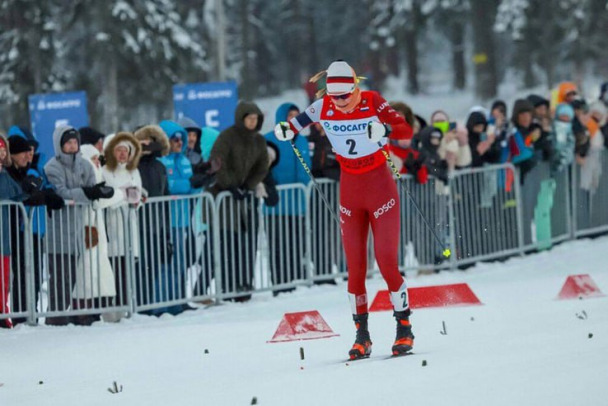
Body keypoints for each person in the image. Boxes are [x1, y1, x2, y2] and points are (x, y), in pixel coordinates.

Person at [274, 60, 414, 359]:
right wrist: (285, 131)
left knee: (386, 260)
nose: (341, 102)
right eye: (335, 96)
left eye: (346, 95)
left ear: (355, 87)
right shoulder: (322, 106)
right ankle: (362, 335)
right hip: (350, 190)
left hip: (380, 188)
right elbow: (294, 126)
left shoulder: (373, 100)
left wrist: (385, 128)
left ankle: (404, 327)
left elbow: (407, 129)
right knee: (355, 268)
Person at [45, 126, 114, 325]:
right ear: (59, 145)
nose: (72, 145)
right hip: (58, 232)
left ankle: (61, 315)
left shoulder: (85, 165)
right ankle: (54, 318)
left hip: (78, 232)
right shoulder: (52, 167)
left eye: (75, 142)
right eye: (67, 142)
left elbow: (92, 186)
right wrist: (87, 193)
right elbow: (61, 193)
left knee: (72, 280)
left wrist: (97, 192)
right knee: (59, 279)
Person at [208, 101, 269, 301]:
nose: (252, 122)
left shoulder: (259, 141)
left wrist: (248, 185)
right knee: (229, 244)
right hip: (226, 199)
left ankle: (245, 284)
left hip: (246, 197)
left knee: (248, 243)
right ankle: (228, 286)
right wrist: (230, 185)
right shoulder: (227, 137)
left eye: (255, 119)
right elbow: (217, 162)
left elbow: (262, 166)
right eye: (249, 118)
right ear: (241, 118)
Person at [264, 103, 310, 294]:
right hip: (277, 205)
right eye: (290, 115)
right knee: (278, 247)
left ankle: (292, 281)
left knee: (296, 246)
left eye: (296, 115)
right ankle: (280, 284)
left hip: (298, 203)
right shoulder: (269, 139)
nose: (293, 119)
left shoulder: (302, 141)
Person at [72, 145, 117, 325]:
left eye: (98, 159)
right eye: (94, 159)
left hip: (96, 228)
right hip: (86, 228)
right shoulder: (86, 176)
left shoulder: (98, 175)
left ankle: (94, 309)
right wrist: (121, 193)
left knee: (97, 270)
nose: (97, 162)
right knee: (86, 271)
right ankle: (82, 311)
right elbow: (98, 201)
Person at [102, 132, 143, 319]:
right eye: (118, 150)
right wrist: (122, 196)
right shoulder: (105, 171)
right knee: (115, 269)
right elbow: (107, 196)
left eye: (125, 150)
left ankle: (127, 307)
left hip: (130, 226)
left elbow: (138, 192)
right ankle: (114, 311)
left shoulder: (133, 171)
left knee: (127, 269)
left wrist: (138, 200)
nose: (122, 154)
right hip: (112, 225)